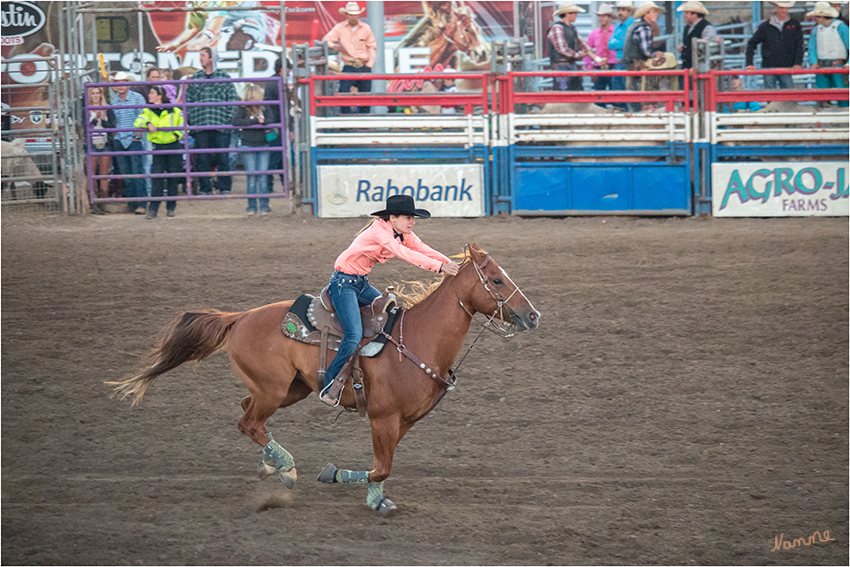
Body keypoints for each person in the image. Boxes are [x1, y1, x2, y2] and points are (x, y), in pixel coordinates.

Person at [318, 194, 461, 407]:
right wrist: (440, 268)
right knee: (354, 334)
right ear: (392, 217)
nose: (412, 222)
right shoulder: (380, 233)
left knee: (391, 314)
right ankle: (329, 385)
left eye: (413, 218)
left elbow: (423, 249)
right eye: (408, 217)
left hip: (360, 284)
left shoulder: (401, 233)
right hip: (343, 285)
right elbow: (404, 253)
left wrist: (453, 263)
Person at [185, 46, 239, 195]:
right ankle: (205, 188)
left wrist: (228, 121)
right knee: (202, 158)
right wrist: (193, 122)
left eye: (203, 55)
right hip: (201, 125)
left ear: (211, 58)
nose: (200, 58)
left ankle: (224, 188)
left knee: (223, 158)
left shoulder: (224, 77)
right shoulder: (195, 78)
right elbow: (188, 101)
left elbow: (232, 100)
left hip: (221, 124)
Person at [134, 86, 184, 219]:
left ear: (159, 95)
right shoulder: (148, 111)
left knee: (172, 178)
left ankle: (169, 208)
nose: (149, 95)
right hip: (159, 146)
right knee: (157, 179)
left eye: (152, 93)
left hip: (172, 145)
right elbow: (138, 121)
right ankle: (154, 209)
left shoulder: (175, 110)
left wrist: (176, 135)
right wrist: (148, 123)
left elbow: (184, 126)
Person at [322, 1, 377, 114]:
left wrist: (369, 64)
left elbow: (372, 46)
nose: (353, 17)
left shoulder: (366, 28)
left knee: (365, 96)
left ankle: (363, 121)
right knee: (343, 92)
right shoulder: (340, 28)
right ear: (346, 15)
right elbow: (326, 40)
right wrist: (335, 46)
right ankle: (346, 119)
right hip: (349, 65)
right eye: (351, 14)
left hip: (363, 65)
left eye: (355, 14)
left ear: (358, 15)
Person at [233, 84, 273, 216]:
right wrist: (257, 122)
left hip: (257, 144)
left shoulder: (263, 107)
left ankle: (261, 207)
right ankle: (256, 206)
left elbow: (272, 120)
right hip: (250, 144)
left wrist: (263, 121)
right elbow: (235, 121)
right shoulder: (243, 108)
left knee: (259, 177)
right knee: (254, 177)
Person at [110, 71, 147, 214]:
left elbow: (142, 118)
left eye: (122, 82)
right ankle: (133, 202)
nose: (120, 85)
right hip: (120, 139)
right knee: (127, 173)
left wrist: (137, 136)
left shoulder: (137, 98)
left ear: (127, 83)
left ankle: (141, 203)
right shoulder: (114, 101)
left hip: (133, 139)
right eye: (117, 83)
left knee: (136, 172)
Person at [746, 2, 804, 90]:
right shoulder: (765, 27)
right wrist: (749, 63)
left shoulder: (794, 25)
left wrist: (798, 62)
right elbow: (752, 43)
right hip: (772, 66)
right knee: (785, 94)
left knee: (785, 95)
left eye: (786, 8)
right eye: (782, 8)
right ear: (776, 7)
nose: (785, 10)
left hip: (782, 66)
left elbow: (799, 45)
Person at [623, 1, 664, 111]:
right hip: (640, 65)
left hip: (631, 64)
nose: (656, 14)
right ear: (646, 13)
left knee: (633, 92)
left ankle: (636, 112)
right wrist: (655, 54)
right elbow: (646, 51)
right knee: (645, 91)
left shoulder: (634, 26)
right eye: (654, 12)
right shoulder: (644, 28)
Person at [807, 2, 849, 106]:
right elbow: (812, 48)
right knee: (822, 95)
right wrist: (813, 61)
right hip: (822, 65)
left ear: (822, 16)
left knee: (841, 93)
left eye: (817, 16)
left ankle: (843, 117)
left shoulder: (841, 27)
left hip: (838, 66)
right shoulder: (817, 29)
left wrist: (848, 63)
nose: (816, 18)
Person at [85, 85, 116, 214]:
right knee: (91, 175)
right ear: (90, 96)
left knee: (104, 174)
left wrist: (103, 121)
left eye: (98, 93)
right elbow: (84, 127)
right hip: (91, 144)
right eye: (93, 93)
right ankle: (93, 202)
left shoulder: (108, 109)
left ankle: (103, 203)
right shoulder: (86, 110)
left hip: (104, 143)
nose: (96, 95)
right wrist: (95, 119)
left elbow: (112, 126)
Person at [263, 55, 290, 196]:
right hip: (277, 125)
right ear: (283, 69)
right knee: (276, 156)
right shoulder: (279, 83)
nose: (289, 72)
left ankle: (271, 186)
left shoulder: (271, 82)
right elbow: (284, 106)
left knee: (275, 155)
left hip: (271, 125)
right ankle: (277, 185)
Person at [547, 2, 589, 91]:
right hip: (561, 65)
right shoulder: (557, 27)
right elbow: (562, 49)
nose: (576, 15)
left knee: (575, 92)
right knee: (564, 93)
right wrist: (579, 55)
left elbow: (580, 42)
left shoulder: (571, 28)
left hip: (569, 64)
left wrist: (587, 50)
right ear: (568, 14)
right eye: (575, 13)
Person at [584, 4, 618, 92]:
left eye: (603, 16)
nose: (601, 18)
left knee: (615, 94)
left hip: (613, 66)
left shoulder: (616, 32)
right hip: (598, 68)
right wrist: (590, 69)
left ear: (609, 17)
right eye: (599, 16)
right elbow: (586, 51)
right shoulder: (593, 34)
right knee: (599, 96)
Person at [677, 1, 719, 70]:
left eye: (687, 13)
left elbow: (709, 47)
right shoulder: (687, 27)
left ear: (695, 14)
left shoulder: (706, 27)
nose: (684, 15)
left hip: (701, 70)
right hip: (688, 67)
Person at [608, 0, 635, 105]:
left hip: (629, 63)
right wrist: (619, 43)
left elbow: (625, 43)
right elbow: (609, 45)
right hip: (618, 62)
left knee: (627, 92)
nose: (620, 12)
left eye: (623, 10)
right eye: (619, 9)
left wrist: (616, 42)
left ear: (629, 11)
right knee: (618, 92)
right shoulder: (619, 25)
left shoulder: (632, 25)